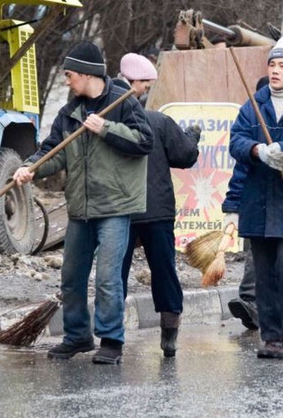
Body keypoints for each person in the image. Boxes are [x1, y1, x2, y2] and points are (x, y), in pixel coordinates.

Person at [14, 42, 153, 364]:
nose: (66, 80)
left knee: (107, 278)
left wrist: (106, 128)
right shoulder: (69, 112)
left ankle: (111, 341)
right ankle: (77, 336)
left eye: (69, 74)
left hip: (115, 207)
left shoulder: (123, 103)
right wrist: (31, 168)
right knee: (72, 277)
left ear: (88, 74)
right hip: (80, 207)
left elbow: (144, 141)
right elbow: (54, 150)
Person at [113, 54, 200, 358]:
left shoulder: (105, 124)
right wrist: (192, 136)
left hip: (118, 209)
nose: (147, 89)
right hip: (155, 210)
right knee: (164, 270)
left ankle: (112, 337)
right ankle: (169, 335)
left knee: (114, 274)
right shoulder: (159, 121)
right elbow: (185, 155)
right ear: (134, 85)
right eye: (145, 84)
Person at [229, 38, 283, 358]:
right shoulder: (252, 105)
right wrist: (257, 150)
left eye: (282, 67)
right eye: (273, 65)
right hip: (260, 204)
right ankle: (272, 337)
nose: (276, 71)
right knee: (265, 276)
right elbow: (235, 141)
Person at [222, 75, 269, 331]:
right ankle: (250, 302)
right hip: (257, 205)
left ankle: (257, 303)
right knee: (256, 254)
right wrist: (232, 206)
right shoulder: (250, 137)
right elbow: (241, 171)